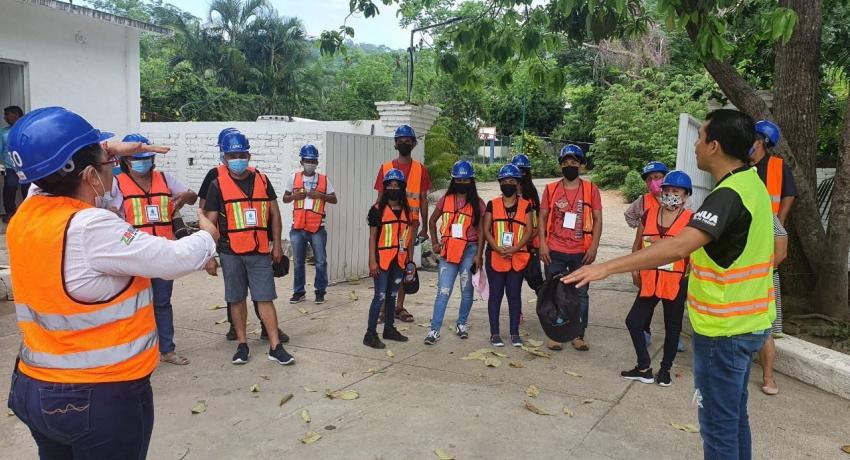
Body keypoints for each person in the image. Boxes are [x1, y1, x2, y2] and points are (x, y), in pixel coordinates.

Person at [564, 109, 778, 459]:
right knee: (735, 418)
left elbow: (678, 245)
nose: (695, 144)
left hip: (723, 330)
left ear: (715, 146)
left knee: (718, 429)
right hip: (749, 323)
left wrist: (605, 268)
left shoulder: (728, 196)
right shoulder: (753, 184)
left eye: (701, 136)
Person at [6, 107, 218, 458]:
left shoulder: (27, 214)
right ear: (90, 176)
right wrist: (207, 235)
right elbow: (173, 259)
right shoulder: (91, 227)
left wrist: (102, 149)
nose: (114, 172)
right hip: (97, 397)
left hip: (33, 388)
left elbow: (45, 174)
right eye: (110, 167)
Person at [203, 131, 294, 366]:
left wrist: (277, 247)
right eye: (232, 155)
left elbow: (275, 215)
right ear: (224, 158)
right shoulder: (217, 184)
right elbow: (210, 223)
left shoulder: (262, 180)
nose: (237, 159)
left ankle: (275, 346)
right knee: (236, 299)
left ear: (249, 155)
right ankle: (242, 344)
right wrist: (208, 256)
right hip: (230, 252)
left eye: (241, 154)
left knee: (265, 298)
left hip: (259, 251)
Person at [112, 133, 199, 366]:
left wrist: (186, 196)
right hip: (133, 256)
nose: (143, 163)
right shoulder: (116, 183)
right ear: (126, 161)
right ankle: (134, 352)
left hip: (162, 253)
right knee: (132, 305)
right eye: (137, 158)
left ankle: (167, 350)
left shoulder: (164, 178)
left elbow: (192, 197)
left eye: (147, 158)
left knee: (162, 303)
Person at [622, 170, 694, 387]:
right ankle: (644, 367)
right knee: (634, 321)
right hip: (650, 278)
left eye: (676, 191)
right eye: (667, 189)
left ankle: (665, 370)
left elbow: (695, 253)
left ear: (685, 195)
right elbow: (638, 244)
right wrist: (634, 268)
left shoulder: (691, 220)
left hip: (676, 281)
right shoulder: (648, 214)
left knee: (672, 328)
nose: (670, 194)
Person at [539, 144, 602, 351]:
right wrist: (542, 244)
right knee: (554, 291)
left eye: (574, 162)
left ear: (581, 166)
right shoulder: (551, 189)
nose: (569, 165)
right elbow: (543, 217)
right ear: (560, 166)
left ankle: (578, 334)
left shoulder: (591, 190)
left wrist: (593, 246)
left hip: (580, 252)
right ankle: (556, 334)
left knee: (581, 294)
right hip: (555, 250)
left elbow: (597, 218)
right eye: (565, 162)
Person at [751, 120, 796, 396]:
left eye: (753, 138)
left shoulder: (778, 166)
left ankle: (769, 376)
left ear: (763, 141)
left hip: (769, 232)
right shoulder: (740, 166)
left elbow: (788, 195)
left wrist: (777, 222)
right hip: (748, 233)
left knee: (766, 323)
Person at [624, 161, 685, 352]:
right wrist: (640, 228)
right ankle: (645, 331)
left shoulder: (681, 201)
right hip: (648, 262)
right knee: (646, 300)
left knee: (672, 306)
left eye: (657, 178)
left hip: (672, 265)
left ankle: (673, 338)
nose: (653, 182)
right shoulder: (643, 201)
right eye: (649, 179)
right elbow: (630, 218)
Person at [374, 124, 432, 323]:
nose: (404, 142)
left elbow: (423, 199)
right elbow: (380, 197)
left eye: (408, 140)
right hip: (389, 224)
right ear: (395, 143)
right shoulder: (386, 168)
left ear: (414, 143)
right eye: (401, 139)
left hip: (410, 225)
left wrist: (424, 227)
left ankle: (398, 306)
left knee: (404, 264)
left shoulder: (420, 169)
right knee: (385, 264)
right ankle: (383, 307)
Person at [424, 160, 485, 344]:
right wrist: (434, 242)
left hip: (469, 250)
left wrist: (479, 255)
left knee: (467, 291)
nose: (462, 183)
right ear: (454, 180)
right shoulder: (446, 199)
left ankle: (462, 324)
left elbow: (482, 230)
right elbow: (432, 221)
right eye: (459, 180)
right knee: (443, 291)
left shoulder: (478, 203)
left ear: (471, 181)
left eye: (466, 180)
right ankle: (434, 330)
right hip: (449, 252)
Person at [483, 164, 533, 347]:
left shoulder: (526, 206)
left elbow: (529, 231)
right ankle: (494, 333)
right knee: (495, 295)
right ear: (500, 183)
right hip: (495, 255)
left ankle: (514, 333)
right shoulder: (492, 204)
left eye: (512, 181)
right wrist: (496, 247)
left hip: (517, 256)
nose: (508, 184)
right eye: (504, 181)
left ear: (518, 183)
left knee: (514, 295)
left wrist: (515, 248)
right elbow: (486, 228)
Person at [282, 144, 338, 304]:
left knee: (320, 261)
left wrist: (319, 195)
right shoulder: (293, 178)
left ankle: (320, 291)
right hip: (298, 227)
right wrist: (294, 197)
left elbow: (334, 199)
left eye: (313, 161)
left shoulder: (323, 180)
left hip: (317, 228)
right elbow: (285, 199)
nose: (310, 163)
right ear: (301, 161)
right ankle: (299, 292)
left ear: (316, 162)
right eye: (307, 160)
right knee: (298, 262)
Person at [364, 168, 412, 349]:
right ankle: (370, 334)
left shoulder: (407, 211)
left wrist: (408, 261)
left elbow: (407, 237)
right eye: (390, 185)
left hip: (398, 260)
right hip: (382, 260)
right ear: (385, 188)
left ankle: (389, 329)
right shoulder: (377, 210)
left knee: (392, 296)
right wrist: (372, 260)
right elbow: (372, 237)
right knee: (380, 296)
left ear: (402, 187)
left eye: (396, 185)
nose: (393, 188)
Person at [511, 153, 544, 300]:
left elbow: (537, 218)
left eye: (523, 171)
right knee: (513, 281)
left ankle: (547, 306)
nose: (520, 174)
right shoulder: (507, 193)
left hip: (530, 244)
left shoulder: (531, 193)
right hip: (513, 243)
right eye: (517, 171)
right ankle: (517, 312)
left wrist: (532, 237)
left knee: (534, 278)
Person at [1, 105, 29, 222]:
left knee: (28, 190)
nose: (5, 117)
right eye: (5, 115)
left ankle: (29, 213)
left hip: (27, 167)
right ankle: (10, 213)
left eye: (8, 114)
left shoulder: (26, 129)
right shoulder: (3, 132)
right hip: (10, 167)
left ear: (17, 115)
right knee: (10, 187)